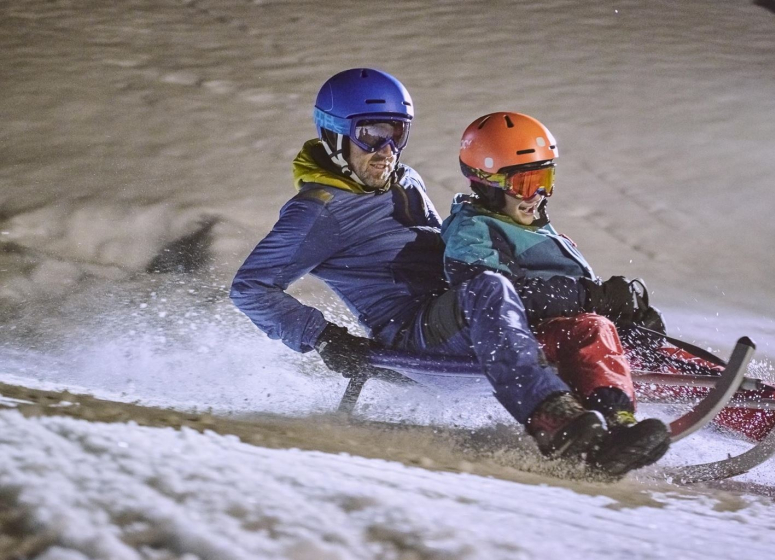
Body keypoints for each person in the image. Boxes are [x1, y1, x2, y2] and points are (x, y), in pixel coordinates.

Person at [441, 112, 775, 480]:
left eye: (545, 182)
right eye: (525, 184)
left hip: (581, 338)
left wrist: (625, 311)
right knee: (659, 360)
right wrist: (592, 298)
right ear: (487, 181)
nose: (537, 196)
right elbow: (492, 296)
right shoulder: (473, 228)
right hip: (544, 347)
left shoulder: (528, 224)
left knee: (688, 366)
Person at [231, 69, 645, 474]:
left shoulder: (405, 180)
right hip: (415, 335)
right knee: (490, 287)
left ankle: (623, 425)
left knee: (584, 323)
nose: (387, 149)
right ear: (336, 135)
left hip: (466, 314)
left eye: (397, 133)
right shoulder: (317, 212)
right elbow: (251, 287)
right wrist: (324, 338)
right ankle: (552, 417)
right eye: (372, 134)